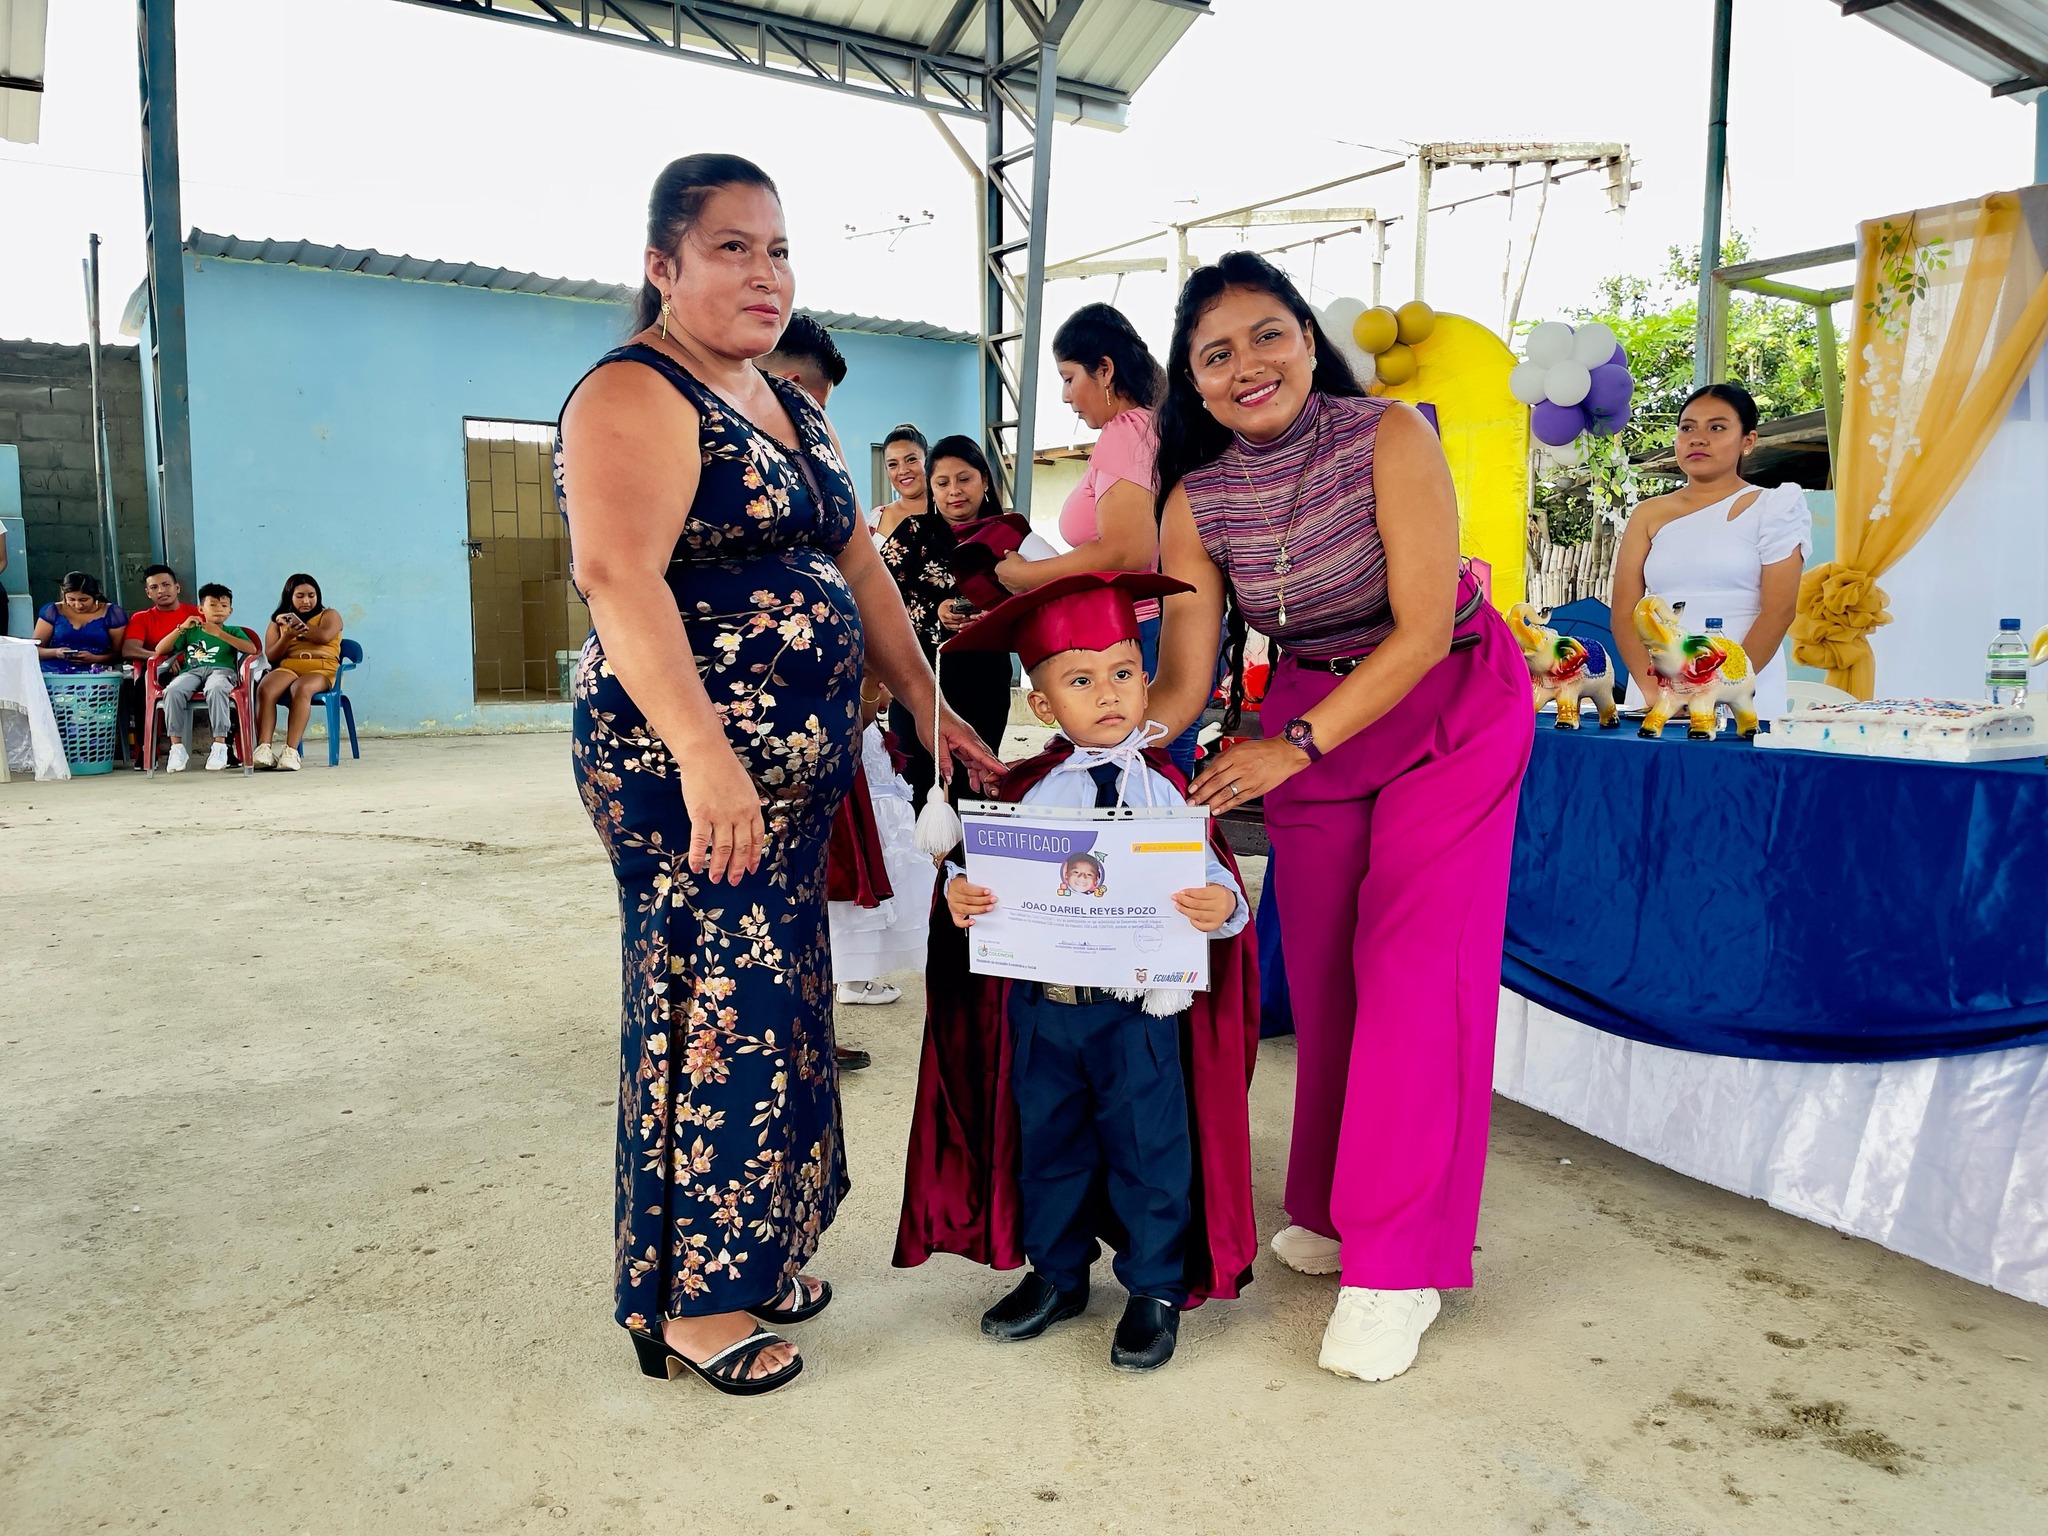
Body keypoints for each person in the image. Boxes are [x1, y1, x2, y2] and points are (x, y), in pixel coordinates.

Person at [558, 153, 1001, 1396]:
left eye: (780, 249)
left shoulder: (787, 406)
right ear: (663, 265)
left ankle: (762, 1247)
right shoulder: (632, 392)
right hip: (684, 765)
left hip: (793, 774)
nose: (766, 274)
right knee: (709, 1009)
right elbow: (617, 578)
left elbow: (858, 570)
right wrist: (706, 757)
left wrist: (927, 707)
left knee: (785, 1000)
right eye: (732, 248)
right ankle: (689, 1301)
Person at [1146, 251, 1534, 1383]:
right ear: (1193, 381)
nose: (1247, 365)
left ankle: (1400, 1264)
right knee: (1321, 975)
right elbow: (1183, 680)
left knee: (1413, 969)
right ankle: (1329, 1204)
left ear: (1309, 342)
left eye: (1268, 335)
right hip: (1313, 712)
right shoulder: (1196, 499)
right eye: (1216, 354)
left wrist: (1294, 746)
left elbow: (1421, 630)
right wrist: (1091, 735)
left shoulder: (1387, 435)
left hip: (1447, 700)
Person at [897, 571, 1260, 1373]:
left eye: (1124, 672)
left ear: (1146, 680)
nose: (1109, 694)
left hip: (1140, 1017)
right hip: (1044, 1011)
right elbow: (979, 876)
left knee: (1150, 1153)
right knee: (1048, 1146)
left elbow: (1220, 888)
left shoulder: (1168, 795)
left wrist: (1220, 906)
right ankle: (1058, 1274)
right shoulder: (1025, 794)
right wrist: (960, 894)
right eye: (1081, 680)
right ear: (1042, 704)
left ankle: (1154, 1288)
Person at [761, 315, 922, 1040]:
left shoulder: (814, 469)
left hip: (825, 707)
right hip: (743, 719)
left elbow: (861, 573)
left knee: (810, 870)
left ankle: (805, 1027)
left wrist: (906, 691)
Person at [992, 302, 1198, 775]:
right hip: (1163, 630)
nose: (1066, 396)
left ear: (1104, 370)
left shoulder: (1126, 432)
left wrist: (1029, 577)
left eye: (1069, 378)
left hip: (1141, 632)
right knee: (1160, 779)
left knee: (1132, 781)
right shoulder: (1155, 426)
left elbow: (1126, 551)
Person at [1610, 383, 1810, 721]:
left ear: (1748, 441)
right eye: (1687, 428)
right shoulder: (1648, 514)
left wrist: (1721, 687)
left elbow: (1778, 612)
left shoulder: (1775, 507)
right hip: (1659, 684)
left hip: (1745, 682)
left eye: (1716, 428)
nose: (1698, 439)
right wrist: (1657, 690)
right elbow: (1624, 612)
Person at [878, 434, 1020, 803]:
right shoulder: (913, 533)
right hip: (920, 680)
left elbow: (1030, 602)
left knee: (974, 780)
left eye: (964, 479)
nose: (954, 491)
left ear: (984, 480)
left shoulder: (1010, 537)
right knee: (915, 785)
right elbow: (878, 601)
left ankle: (966, 844)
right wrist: (934, 613)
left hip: (984, 679)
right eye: (942, 483)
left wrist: (994, 614)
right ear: (932, 488)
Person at [155, 583, 259, 772]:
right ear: (201, 609)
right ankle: (177, 748)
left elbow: (251, 649)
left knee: (216, 688)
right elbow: (160, 650)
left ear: (230, 611)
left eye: (224, 606)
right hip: (192, 671)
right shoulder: (192, 630)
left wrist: (220, 634)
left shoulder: (232, 630)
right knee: (172, 690)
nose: (219, 609)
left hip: (221, 671)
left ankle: (220, 746)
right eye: (213, 605)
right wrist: (182, 627)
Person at [254, 573, 342, 771]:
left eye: (311, 595)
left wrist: (297, 626)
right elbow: (272, 656)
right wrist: (286, 637)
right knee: (266, 687)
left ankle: (291, 752)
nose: (306, 601)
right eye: (300, 596)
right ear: (289, 597)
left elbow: (324, 636)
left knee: (301, 688)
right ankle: (263, 748)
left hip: (321, 667)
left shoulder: (330, 615)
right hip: (290, 666)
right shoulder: (277, 622)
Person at [120, 564, 203, 768]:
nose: (161, 591)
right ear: (148, 593)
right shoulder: (142, 618)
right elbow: (129, 649)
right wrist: (164, 659)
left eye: (166, 585)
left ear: (177, 587)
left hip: (197, 669)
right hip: (161, 673)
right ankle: (147, 751)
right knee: (141, 687)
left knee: (227, 681)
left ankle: (227, 748)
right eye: (154, 587)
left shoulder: (197, 614)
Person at [34, 572, 126, 673]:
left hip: (97, 672)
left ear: (95, 596)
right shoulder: (52, 611)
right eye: (71, 600)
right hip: (54, 671)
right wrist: (56, 652)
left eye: (84, 600)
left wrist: (95, 658)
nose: (78, 605)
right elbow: (34, 649)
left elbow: (119, 653)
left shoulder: (113, 613)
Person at [874, 424, 930, 542]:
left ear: (928, 461)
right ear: (886, 470)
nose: (903, 471)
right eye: (893, 464)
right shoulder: (876, 518)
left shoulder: (949, 512)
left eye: (911, 460)